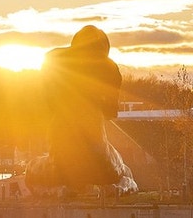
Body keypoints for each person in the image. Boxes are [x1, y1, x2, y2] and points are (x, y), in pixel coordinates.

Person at [40, 25, 129, 194]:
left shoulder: (53, 60)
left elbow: (47, 98)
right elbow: (111, 110)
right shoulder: (109, 68)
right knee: (116, 166)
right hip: (91, 128)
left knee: (55, 160)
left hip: (60, 128)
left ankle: (61, 185)